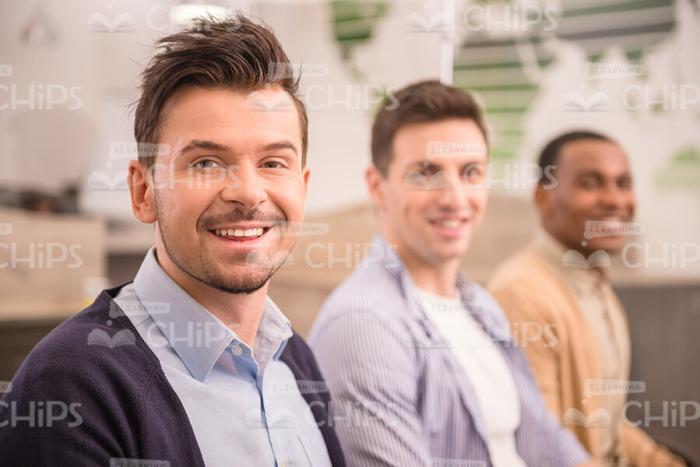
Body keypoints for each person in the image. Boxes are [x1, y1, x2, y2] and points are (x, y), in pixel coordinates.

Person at [0, 16, 345, 467]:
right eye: (205, 162)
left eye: (273, 163)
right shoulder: (71, 385)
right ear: (143, 192)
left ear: (302, 185)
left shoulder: (296, 359)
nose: (247, 191)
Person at [308, 80, 592, 466]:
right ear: (377, 186)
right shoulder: (364, 324)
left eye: (470, 172)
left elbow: (546, 442)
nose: (454, 198)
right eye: (426, 173)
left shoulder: (480, 304)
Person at [488, 130, 685, 467]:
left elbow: (604, 422)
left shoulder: (595, 285)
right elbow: (542, 447)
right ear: (543, 196)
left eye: (623, 183)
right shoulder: (521, 294)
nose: (614, 200)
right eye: (590, 183)